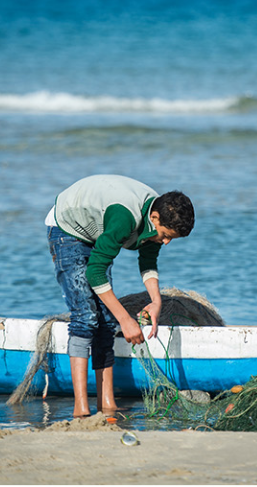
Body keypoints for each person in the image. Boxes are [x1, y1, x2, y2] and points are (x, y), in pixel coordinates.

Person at [46, 174, 194, 418]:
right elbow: (95, 272)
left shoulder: (156, 219)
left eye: (170, 239)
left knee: (106, 322)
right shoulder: (125, 220)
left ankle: (107, 403)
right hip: (67, 227)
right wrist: (126, 320)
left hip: (98, 231)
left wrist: (156, 302)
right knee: (86, 317)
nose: (166, 242)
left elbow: (148, 260)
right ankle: (81, 409)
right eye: (165, 235)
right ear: (154, 217)